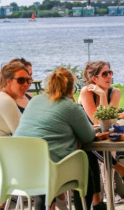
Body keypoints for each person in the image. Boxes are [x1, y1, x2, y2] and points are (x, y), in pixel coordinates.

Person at [14, 68, 96, 210]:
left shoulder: (34, 101)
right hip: (50, 170)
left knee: (43, 161)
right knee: (85, 166)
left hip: (19, 167)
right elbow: (88, 136)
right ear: (71, 89)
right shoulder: (70, 107)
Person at [78, 61, 124, 206]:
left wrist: (103, 95)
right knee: (99, 149)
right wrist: (100, 95)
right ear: (95, 79)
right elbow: (96, 120)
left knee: (109, 145)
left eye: (110, 72)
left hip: (103, 135)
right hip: (86, 138)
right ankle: (116, 178)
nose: (109, 76)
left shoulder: (115, 92)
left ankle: (110, 193)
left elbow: (108, 119)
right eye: (105, 74)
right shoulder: (86, 92)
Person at [0, 61, 31, 137]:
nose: (26, 84)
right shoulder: (5, 100)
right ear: (8, 81)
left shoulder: (0, 96)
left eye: (28, 80)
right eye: (21, 80)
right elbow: (22, 133)